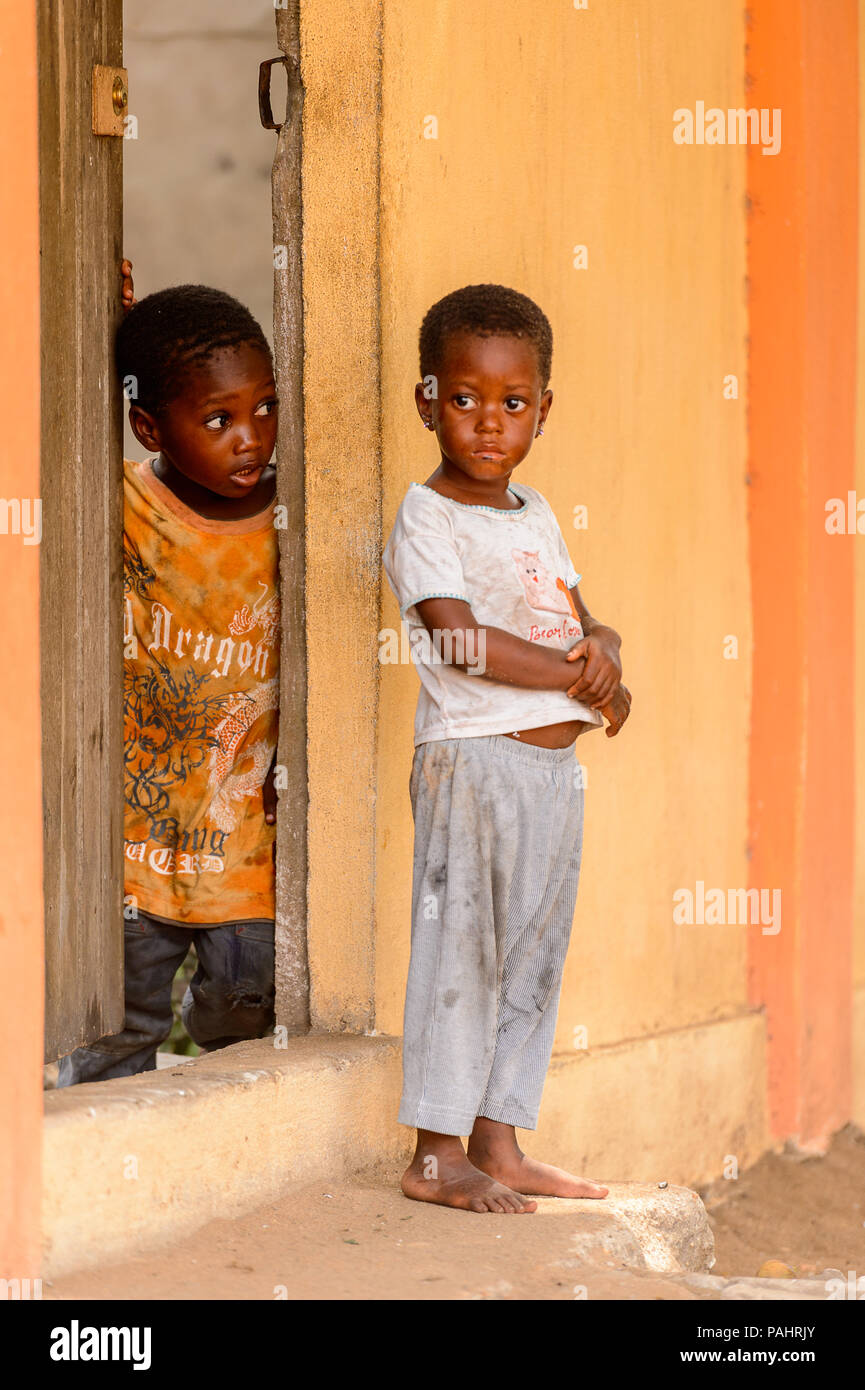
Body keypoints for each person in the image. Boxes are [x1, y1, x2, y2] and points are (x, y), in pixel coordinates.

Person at [383, 283, 631, 1213]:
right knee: (462, 955)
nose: (489, 423)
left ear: (542, 410)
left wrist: (603, 651)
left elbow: (573, 616)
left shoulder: (534, 511)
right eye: (464, 399)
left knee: (531, 955)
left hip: (548, 776)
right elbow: (458, 638)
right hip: (472, 767)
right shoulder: (427, 515)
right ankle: (435, 1151)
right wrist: (576, 679)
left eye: (512, 403)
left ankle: (498, 1139)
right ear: (427, 402)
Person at [57, 264, 280, 1085]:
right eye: (218, 418)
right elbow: (39, 431)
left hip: (249, 858)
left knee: (247, 1041)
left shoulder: (296, 521)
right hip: (134, 854)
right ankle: (110, 1191)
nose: (250, 436)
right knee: (114, 1036)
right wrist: (77, 326)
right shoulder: (118, 501)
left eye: (265, 408)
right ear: (150, 430)